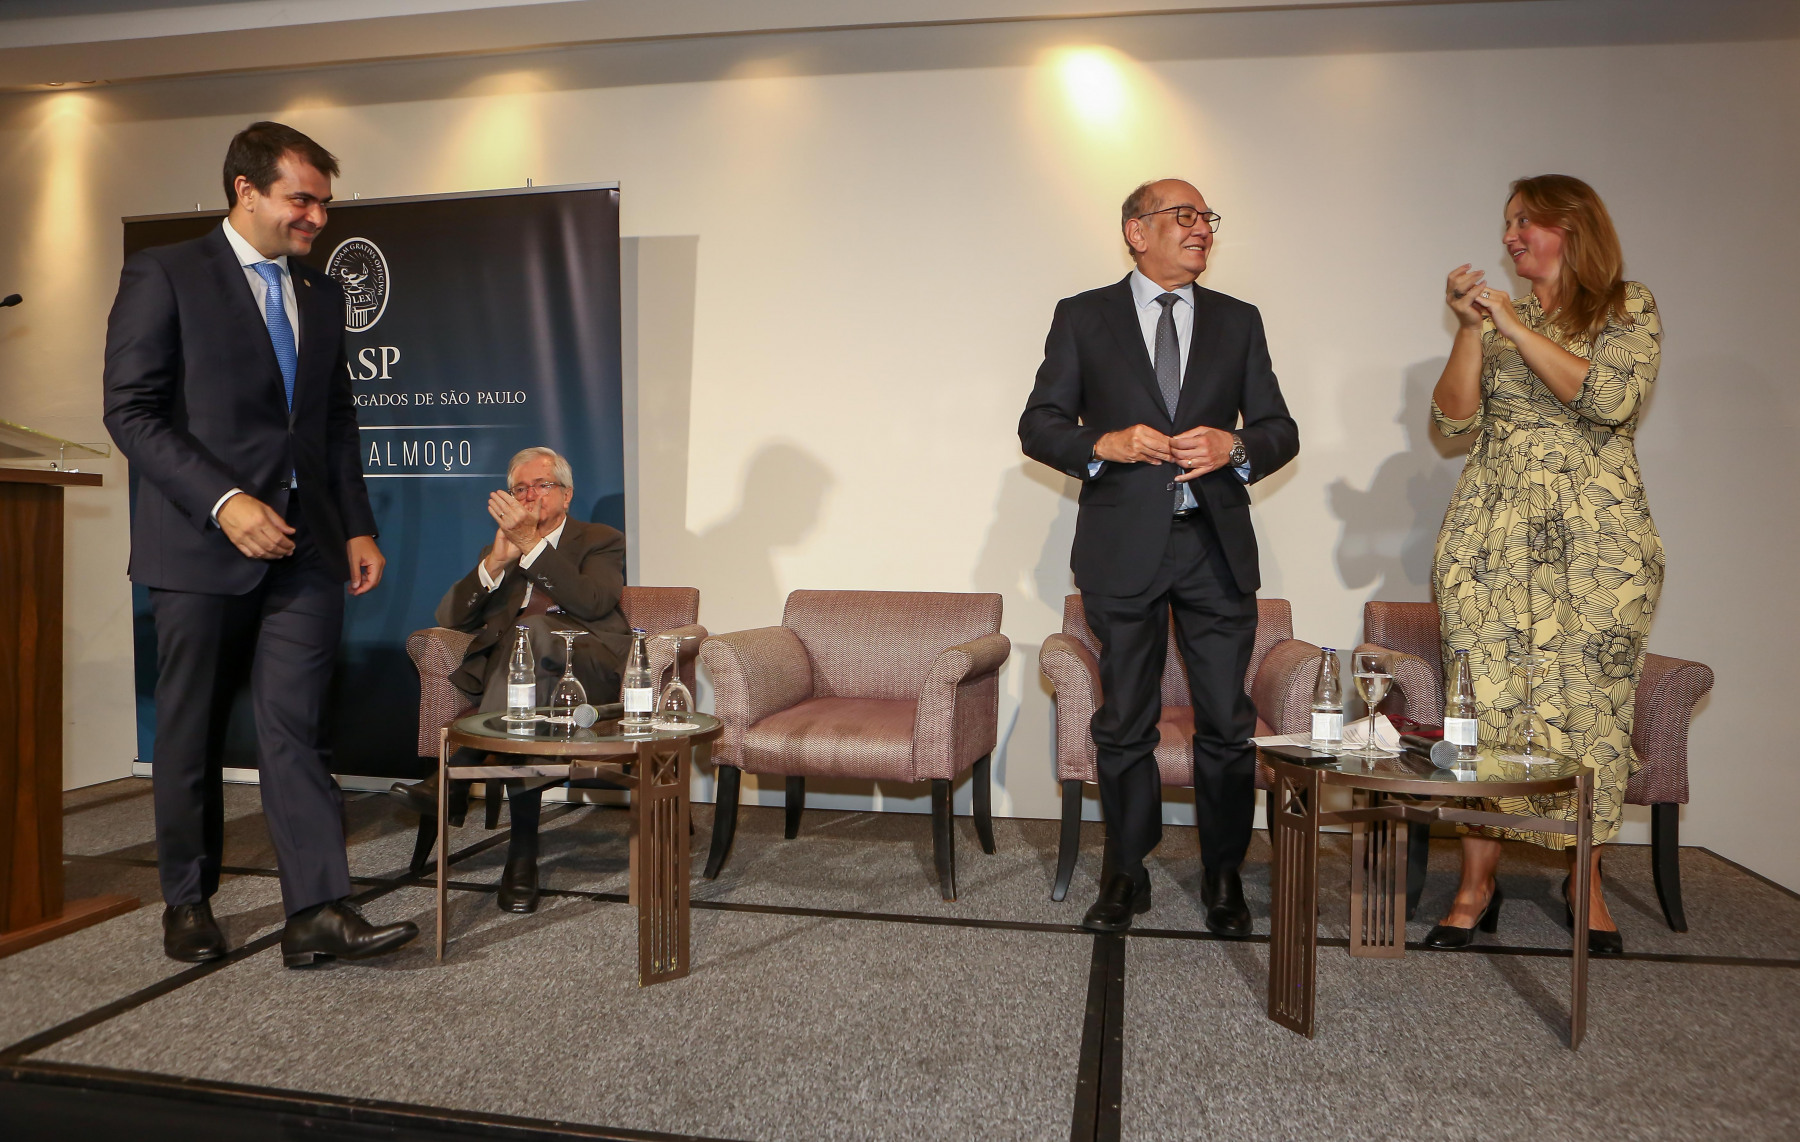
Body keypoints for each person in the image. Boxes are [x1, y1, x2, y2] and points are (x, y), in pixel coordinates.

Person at [103, 122, 418, 967]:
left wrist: (357, 523)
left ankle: (316, 911)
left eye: (324, 202)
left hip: (307, 546)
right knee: (191, 731)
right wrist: (225, 501)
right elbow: (130, 410)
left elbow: (334, 420)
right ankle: (187, 899)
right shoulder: (166, 273)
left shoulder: (319, 291)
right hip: (199, 546)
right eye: (300, 199)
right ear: (246, 190)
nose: (317, 217)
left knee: (298, 727)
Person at [1020, 179, 1299, 936]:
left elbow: (1279, 428)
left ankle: (1223, 875)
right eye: (1184, 216)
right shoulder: (1083, 316)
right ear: (1136, 232)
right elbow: (1039, 424)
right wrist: (1102, 444)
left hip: (1214, 547)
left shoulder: (1238, 320)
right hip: (1122, 548)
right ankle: (1125, 869)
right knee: (1124, 724)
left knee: (1227, 724)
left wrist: (1234, 445)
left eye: (1207, 217)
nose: (1201, 228)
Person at [1425, 174, 1663, 956]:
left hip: (1599, 547)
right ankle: (1475, 883)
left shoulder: (1627, 306)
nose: (1510, 235)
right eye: (1508, 222)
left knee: (1589, 710)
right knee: (1481, 709)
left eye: (1526, 220)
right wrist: (1471, 329)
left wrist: (1512, 326)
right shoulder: (1498, 318)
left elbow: (1608, 400)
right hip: (1490, 538)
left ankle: (1582, 881)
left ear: (1573, 226)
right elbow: (1452, 422)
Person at [389, 447, 628, 913]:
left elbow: (594, 602)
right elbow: (449, 617)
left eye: (542, 485)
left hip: (586, 668)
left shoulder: (600, 539)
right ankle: (521, 856)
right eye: (520, 488)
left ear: (567, 495)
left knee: (531, 630)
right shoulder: (501, 548)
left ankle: (456, 774)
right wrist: (495, 564)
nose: (530, 495)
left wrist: (533, 546)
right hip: (517, 680)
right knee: (524, 673)